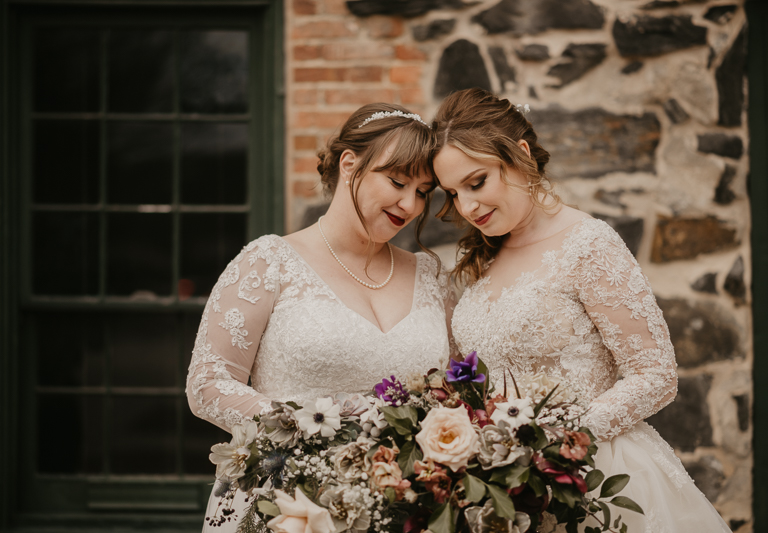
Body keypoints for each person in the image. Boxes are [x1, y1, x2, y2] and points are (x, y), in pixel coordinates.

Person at [430, 88, 731, 532]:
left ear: (521, 154)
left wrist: (555, 441)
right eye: (453, 193)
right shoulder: (483, 259)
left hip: (596, 474)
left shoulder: (589, 244)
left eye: (477, 183)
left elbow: (656, 375)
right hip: (503, 489)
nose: (467, 206)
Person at [186, 103, 455, 531]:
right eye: (398, 181)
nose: (411, 204)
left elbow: (453, 391)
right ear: (350, 164)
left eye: (424, 192)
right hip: (285, 501)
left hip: (403, 506)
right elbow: (207, 385)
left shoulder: (432, 276)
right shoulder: (269, 261)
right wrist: (311, 428)